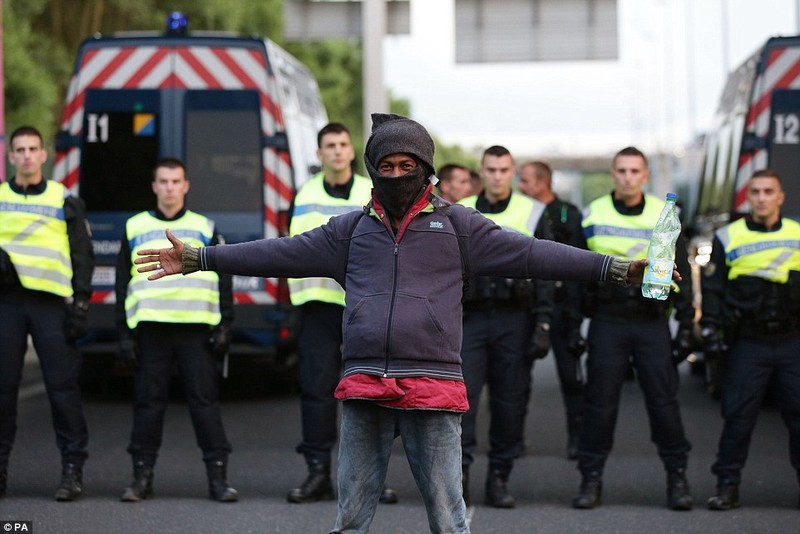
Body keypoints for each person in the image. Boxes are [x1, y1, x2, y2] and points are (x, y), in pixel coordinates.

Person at [134, 114, 673, 533]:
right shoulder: (346, 232)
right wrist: (201, 259)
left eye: (405, 166)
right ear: (373, 171)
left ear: (427, 169)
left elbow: (536, 255)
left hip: (433, 389)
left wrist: (619, 268)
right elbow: (277, 253)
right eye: (385, 167)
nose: (396, 175)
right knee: (350, 518)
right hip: (364, 385)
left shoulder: (459, 226)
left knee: (447, 518)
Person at [573, 146, 695, 511]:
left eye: (634, 171)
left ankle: (678, 478)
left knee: (664, 403)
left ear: (645, 176)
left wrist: (686, 323)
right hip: (607, 320)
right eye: (621, 170)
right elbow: (577, 270)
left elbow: (682, 270)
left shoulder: (665, 213)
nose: (627, 177)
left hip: (650, 322)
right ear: (613, 174)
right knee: (599, 404)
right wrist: (570, 325)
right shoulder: (592, 214)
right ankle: (590, 479)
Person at [115, 157, 238, 503]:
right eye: (163, 181)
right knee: (147, 406)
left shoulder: (204, 227)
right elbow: (121, 284)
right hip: (150, 331)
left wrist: (226, 324)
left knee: (205, 406)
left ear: (186, 186)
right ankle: (141, 478)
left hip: (196, 332)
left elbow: (222, 275)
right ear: (154, 186)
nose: (169, 187)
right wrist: (123, 335)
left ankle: (218, 478)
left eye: (176, 181)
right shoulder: (133, 226)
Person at [287, 122, 397, 505]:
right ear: (319, 155)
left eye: (342, 144)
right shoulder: (303, 195)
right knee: (316, 392)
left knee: (369, 393)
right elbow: (291, 251)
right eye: (328, 145)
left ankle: (372, 477)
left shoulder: (372, 194)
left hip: (363, 308)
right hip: (316, 308)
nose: (336, 151)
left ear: (352, 152)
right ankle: (317, 472)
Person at [457, 146, 554, 508]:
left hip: (516, 317)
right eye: (491, 170)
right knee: (460, 402)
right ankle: (459, 477)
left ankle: (500, 477)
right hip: (470, 318)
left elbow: (546, 266)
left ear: (512, 173)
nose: (497, 176)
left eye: (504, 170)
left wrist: (544, 321)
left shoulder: (533, 211)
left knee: (509, 402)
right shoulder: (460, 209)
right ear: (481, 172)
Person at [0, 126, 94, 501]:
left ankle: (72, 470)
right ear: (10, 156)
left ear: (44, 155)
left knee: (62, 390)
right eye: (19, 149)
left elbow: (82, 254)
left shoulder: (64, 200)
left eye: (32, 149)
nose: (25, 155)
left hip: (50, 307)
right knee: (3, 391)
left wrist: (82, 303)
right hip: (6, 303)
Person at [700, 169, 800, 511]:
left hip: (792, 341)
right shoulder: (728, 237)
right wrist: (711, 329)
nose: (761, 198)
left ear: (780, 196)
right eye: (755, 191)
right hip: (749, 343)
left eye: (768, 191)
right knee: (738, 416)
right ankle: (727, 486)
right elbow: (713, 290)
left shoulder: (798, 233)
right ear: (748, 197)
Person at [518, 160, 588, 460]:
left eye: (525, 181)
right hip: (528, 306)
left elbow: (579, 263)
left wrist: (575, 314)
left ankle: (577, 438)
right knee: (517, 380)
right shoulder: (520, 212)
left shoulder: (567, 214)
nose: (520, 187)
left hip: (562, 310)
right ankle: (514, 438)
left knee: (571, 378)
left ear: (542, 182)